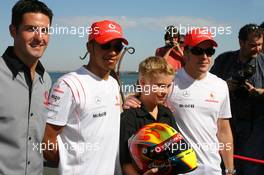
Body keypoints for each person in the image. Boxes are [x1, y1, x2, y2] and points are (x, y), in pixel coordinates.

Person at [124, 28, 235, 175]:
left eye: (209, 51)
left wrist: (229, 169)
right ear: (186, 52)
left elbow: (223, 130)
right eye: (198, 51)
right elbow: (149, 95)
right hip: (179, 170)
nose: (204, 56)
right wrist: (131, 99)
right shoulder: (172, 81)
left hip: (212, 169)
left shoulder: (220, 85)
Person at [43, 20, 128, 175]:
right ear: (89, 47)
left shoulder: (113, 83)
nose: (113, 52)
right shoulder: (67, 84)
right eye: (105, 45)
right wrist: (68, 164)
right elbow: (47, 141)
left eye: (118, 47)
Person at [0, 0, 53, 174]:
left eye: (44, 30)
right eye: (31, 29)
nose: (39, 37)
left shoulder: (46, 80)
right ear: (13, 31)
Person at [210, 23, 264, 175]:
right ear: (241, 42)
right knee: (224, 166)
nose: (258, 49)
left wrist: (260, 92)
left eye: (260, 45)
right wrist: (224, 86)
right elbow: (207, 88)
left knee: (252, 168)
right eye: (253, 45)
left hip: (256, 127)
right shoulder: (223, 60)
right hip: (227, 123)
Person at [120, 56, 179, 175]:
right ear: (142, 83)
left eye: (168, 86)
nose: (165, 91)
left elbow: (177, 151)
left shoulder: (166, 114)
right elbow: (125, 163)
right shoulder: (130, 116)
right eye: (159, 85)